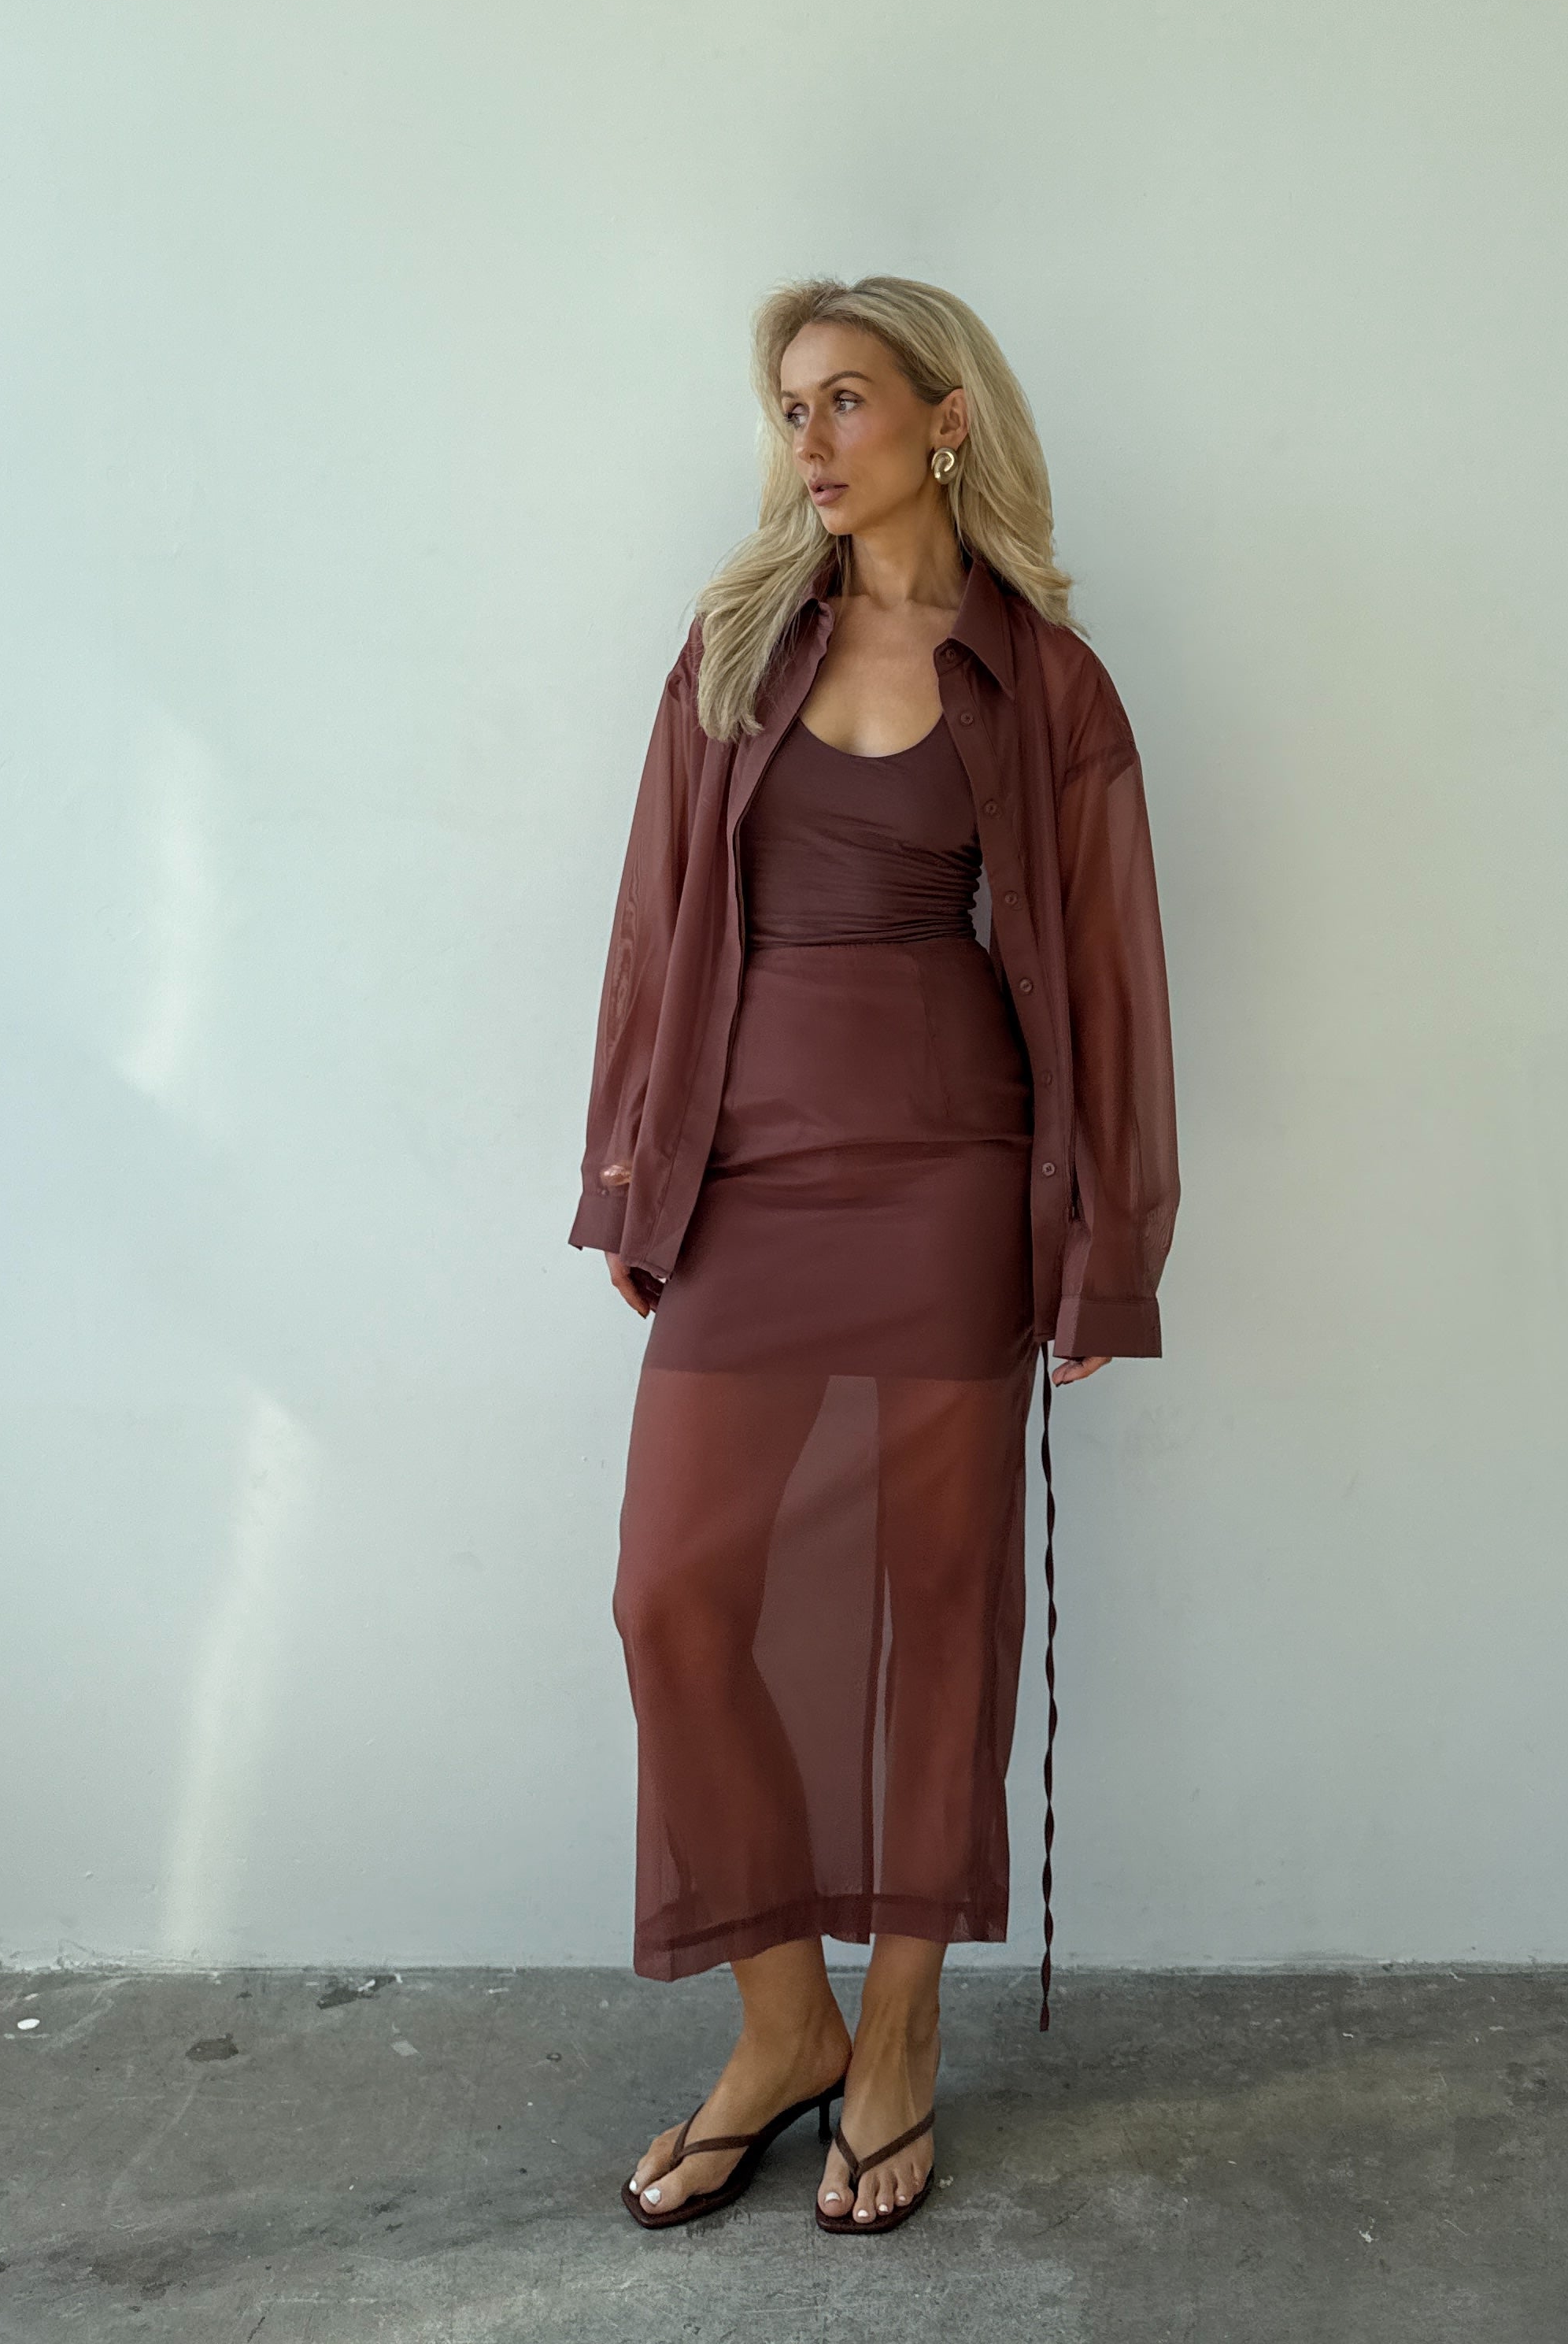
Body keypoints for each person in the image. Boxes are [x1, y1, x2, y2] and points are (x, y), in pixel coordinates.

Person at [568, 274, 1180, 2235]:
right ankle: (784, 2022)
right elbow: (657, 925)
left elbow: (1109, 979)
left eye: (845, 401)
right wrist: (631, 1177)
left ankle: (900, 2029)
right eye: (788, 407)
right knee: (675, 1594)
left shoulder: (1045, 681)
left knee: (942, 1612)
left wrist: (1107, 1248)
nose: (808, 440)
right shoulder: (734, 647)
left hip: (948, 1183)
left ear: (947, 422)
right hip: (746, 1181)